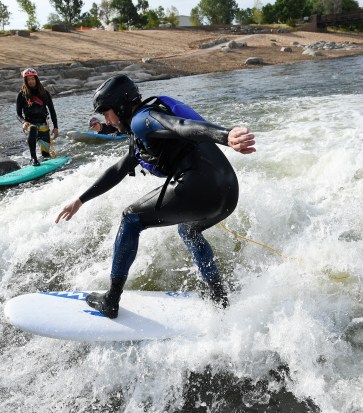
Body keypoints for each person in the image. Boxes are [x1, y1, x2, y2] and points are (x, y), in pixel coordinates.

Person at [55, 74, 256, 319]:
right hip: (228, 194)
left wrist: (226, 136)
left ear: (120, 106)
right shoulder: (139, 133)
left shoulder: (143, 119)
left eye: (106, 112)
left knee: (130, 218)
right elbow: (118, 169)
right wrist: (80, 200)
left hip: (200, 189)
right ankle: (219, 296)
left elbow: (180, 126)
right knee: (188, 230)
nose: (106, 119)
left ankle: (111, 300)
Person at [16, 68, 59, 166]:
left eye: (33, 79)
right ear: (25, 81)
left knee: (46, 155)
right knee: (33, 128)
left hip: (43, 124)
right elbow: (18, 114)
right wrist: (23, 122)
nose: (31, 81)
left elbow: (52, 111)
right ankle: (33, 158)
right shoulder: (21, 95)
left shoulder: (44, 93)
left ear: (36, 79)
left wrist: (56, 127)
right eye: (28, 79)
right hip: (30, 124)